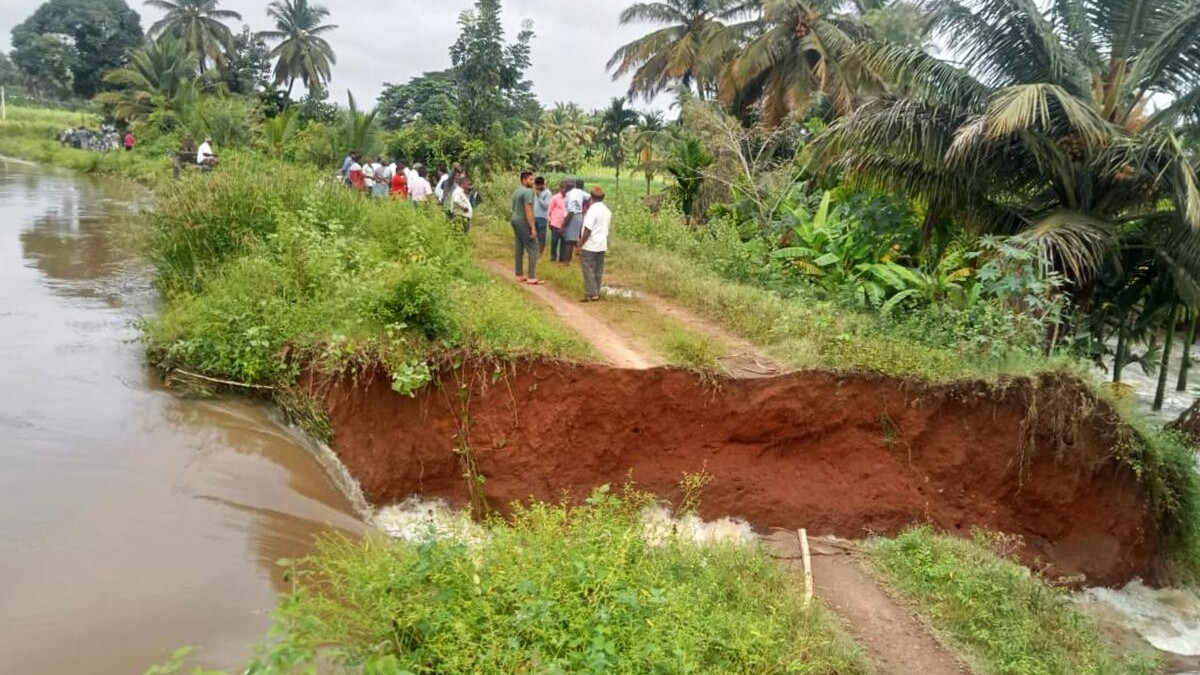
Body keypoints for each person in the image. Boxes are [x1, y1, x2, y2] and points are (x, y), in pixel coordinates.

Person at [579, 186, 612, 302]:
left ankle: (591, 293)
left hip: (590, 244)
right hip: (602, 244)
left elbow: (587, 230)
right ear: (603, 197)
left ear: (591, 197)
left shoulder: (592, 210)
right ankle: (596, 291)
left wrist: (580, 245)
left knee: (588, 269)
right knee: (598, 270)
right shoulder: (607, 211)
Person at [511, 171, 542, 284]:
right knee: (534, 247)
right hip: (523, 221)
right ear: (524, 180)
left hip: (514, 219)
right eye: (530, 180)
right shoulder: (528, 192)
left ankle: (519, 274)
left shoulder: (516, 191)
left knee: (519, 246)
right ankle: (531, 276)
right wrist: (533, 228)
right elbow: (528, 210)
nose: (533, 182)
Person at [561, 179, 590, 264]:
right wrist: (585, 207)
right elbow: (589, 197)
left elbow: (571, 211)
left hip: (573, 216)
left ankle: (566, 262)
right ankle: (582, 255)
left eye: (564, 187)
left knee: (570, 240)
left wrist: (563, 225)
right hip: (578, 216)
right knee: (574, 238)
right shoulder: (578, 192)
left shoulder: (571, 195)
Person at [547, 180, 568, 262]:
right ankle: (553, 257)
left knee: (564, 243)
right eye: (563, 188)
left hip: (565, 224)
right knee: (554, 242)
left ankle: (562, 259)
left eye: (566, 188)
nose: (564, 190)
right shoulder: (555, 198)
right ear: (560, 188)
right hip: (555, 223)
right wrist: (549, 221)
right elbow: (549, 210)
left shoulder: (568, 198)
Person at [533, 176, 551, 257]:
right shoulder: (536, 192)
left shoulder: (547, 193)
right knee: (534, 234)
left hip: (542, 217)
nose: (536, 187)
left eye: (538, 185)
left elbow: (546, 206)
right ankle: (535, 250)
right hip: (534, 216)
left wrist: (539, 197)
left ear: (543, 184)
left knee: (541, 235)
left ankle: (540, 252)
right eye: (536, 185)